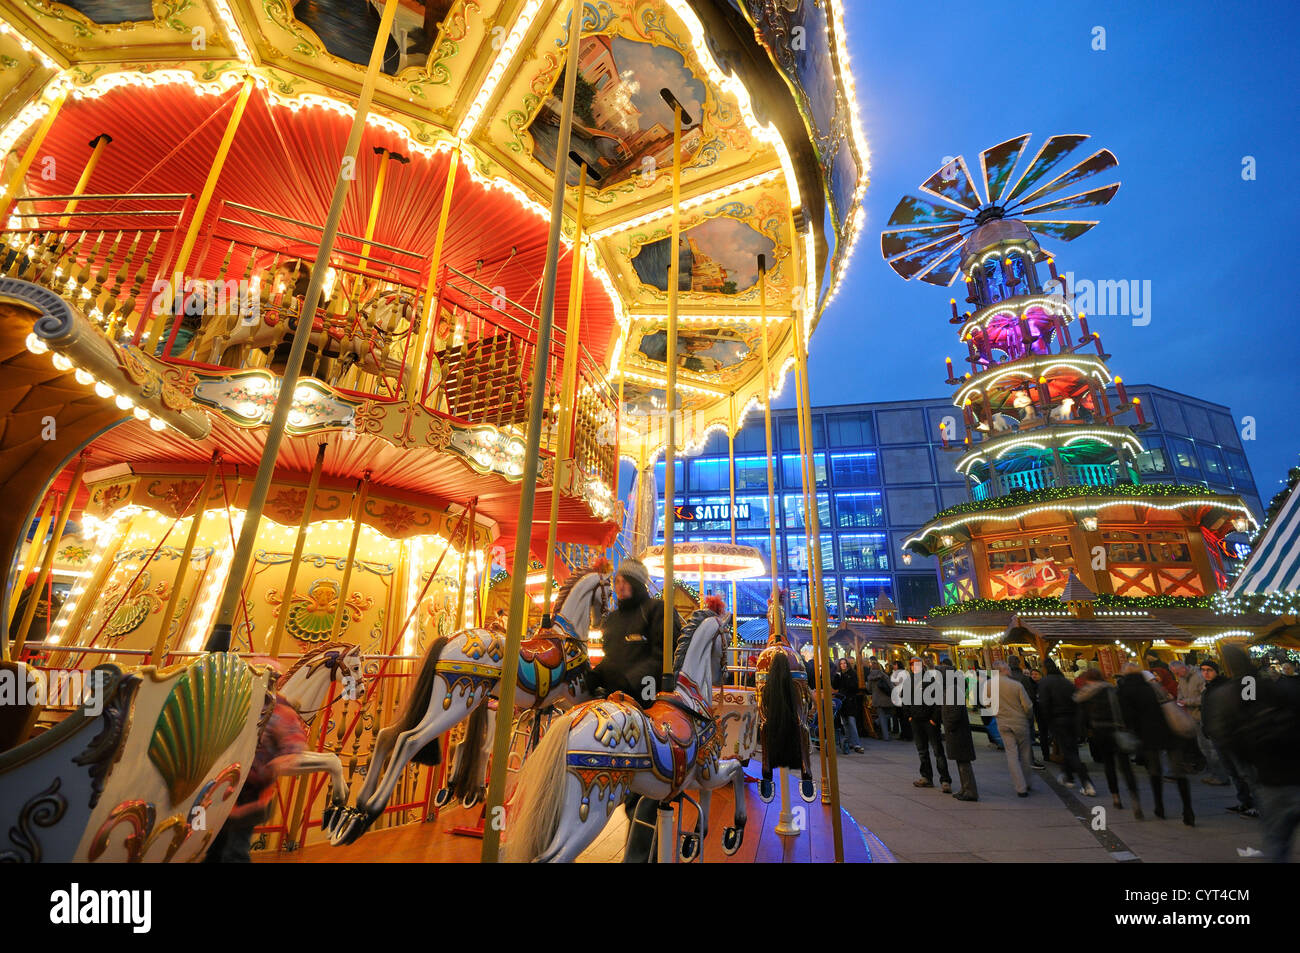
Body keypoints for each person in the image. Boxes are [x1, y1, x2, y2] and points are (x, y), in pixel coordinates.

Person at [590, 558, 681, 706]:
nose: (620, 587)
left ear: (636, 584)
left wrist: (630, 680)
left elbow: (664, 656)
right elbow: (610, 658)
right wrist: (594, 676)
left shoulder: (657, 610)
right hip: (615, 696)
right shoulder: (613, 619)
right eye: (617, 581)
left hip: (646, 695)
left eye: (625, 582)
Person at [1118, 662, 1194, 826]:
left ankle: (1159, 807)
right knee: (1178, 772)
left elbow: (1128, 718)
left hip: (1148, 735)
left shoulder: (1126, 690)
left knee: (1154, 771)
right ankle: (1188, 810)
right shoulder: (1154, 686)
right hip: (1170, 731)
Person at [1075, 668, 1142, 814]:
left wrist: (1083, 732)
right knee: (1125, 766)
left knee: (1109, 765)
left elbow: (1082, 717)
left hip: (1100, 731)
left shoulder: (1085, 695)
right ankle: (1134, 797)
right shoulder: (1112, 690)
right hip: (1117, 730)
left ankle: (1116, 797)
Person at [1199, 658, 1257, 817]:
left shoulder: (1225, 686)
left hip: (1229, 735)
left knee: (1243, 771)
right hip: (1217, 735)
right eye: (1203, 670)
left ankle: (1256, 804)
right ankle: (1245, 801)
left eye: (1209, 670)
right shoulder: (1208, 689)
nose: (1206, 673)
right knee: (1232, 771)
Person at [1039, 658, 1095, 796]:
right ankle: (1067, 776)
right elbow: (1076, 701)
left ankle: (1087, 782)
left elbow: (1044, 704)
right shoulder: (1066, 682)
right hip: (1072, 719)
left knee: (1069, 751)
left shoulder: (1045, 682)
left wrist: (1047, 722)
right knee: (1070, 748)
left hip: (1058, 720)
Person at [1170, 658, 1225, 784]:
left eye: (1177, 673)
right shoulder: (1182, 679)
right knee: (1204, 748)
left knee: (1211, 748)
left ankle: (1221, 776)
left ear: (1183, 668)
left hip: (1204, 716)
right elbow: (1180, 693)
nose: (1177, 676)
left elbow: (1205, 697)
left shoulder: (1200, 677)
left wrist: (1188, 702)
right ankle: (1213, 773)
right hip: (1193, 717)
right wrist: (1180, 700)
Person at [900, 657, 952, 792]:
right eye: (912, 665)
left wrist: (934, 718)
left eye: (917, 665)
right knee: (922, 751)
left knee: (937, 751)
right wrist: (909, 716)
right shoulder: (908, 681)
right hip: (916, 720)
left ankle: (945, 779)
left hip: (929, 720)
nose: (914, 667)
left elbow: (937, 699)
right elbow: (904, 699)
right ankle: (926, 777)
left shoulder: (930, 680)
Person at [937, 656, 978, 801]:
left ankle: (969, 790)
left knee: (964, 763)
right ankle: (965, 788)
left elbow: (955, 712)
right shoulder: (951, 688)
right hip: (956, 731)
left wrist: (949, 726)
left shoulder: (953, 690)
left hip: (957, 732)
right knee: (961, 762)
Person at [994, 661, 1036, 796]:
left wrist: (997, 713)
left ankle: (1020, 787)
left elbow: (987, 703)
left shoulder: (989, 685)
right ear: (1005, 670)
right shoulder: (1016, 685)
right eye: (1008, 669)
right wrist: (1028, 716)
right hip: (1019, 721)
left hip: (1002, 722)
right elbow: (1028, 706)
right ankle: (1027, 782)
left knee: (1011, 754)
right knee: (1025, 753)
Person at [1008, 657, 1045, 767]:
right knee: (1026, 736)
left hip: (1008, 712)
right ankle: (1029, 759)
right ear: (1019, 663)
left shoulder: (1004, 679)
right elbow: (1030, 697)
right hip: (1022, 711)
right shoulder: (1024, 678)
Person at [832, 658, 865, 753]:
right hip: (842, 701)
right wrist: (837, 677)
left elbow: (854, 687)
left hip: (850, 701)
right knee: (845, 724)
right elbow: (835, 686)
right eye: (841, 664)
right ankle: (850, 742)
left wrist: (844, 678)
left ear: (847, 664)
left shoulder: (852, 674)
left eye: (844, 663)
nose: (843, 665)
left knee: (851, 722)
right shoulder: (839, 674)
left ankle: (857, 744)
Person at [867, 657, 894, 741]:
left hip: (876, 699)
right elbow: (891, 686)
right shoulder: (884, 675)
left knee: (882, 717)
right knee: (891, 714)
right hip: (886, 699)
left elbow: (869, 689)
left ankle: (885, 735)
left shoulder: (869, 677)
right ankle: (880, 725)